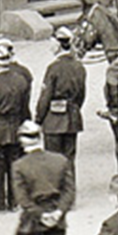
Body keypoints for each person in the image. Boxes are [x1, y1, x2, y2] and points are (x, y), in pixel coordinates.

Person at [0, 40, 32, 213]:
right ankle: (14, 201)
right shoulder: (21, 81)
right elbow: (26, 108)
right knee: (14, 166)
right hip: (16, 128)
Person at [36, 28, 86, 174]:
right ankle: (69, 190)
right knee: (69, 158)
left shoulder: (53, 68)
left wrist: (39, 119)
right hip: (72, 118)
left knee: (52, 159)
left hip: (53, 121)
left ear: (58, 45)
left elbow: (45, 96)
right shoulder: (79, 67)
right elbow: (82, 95)